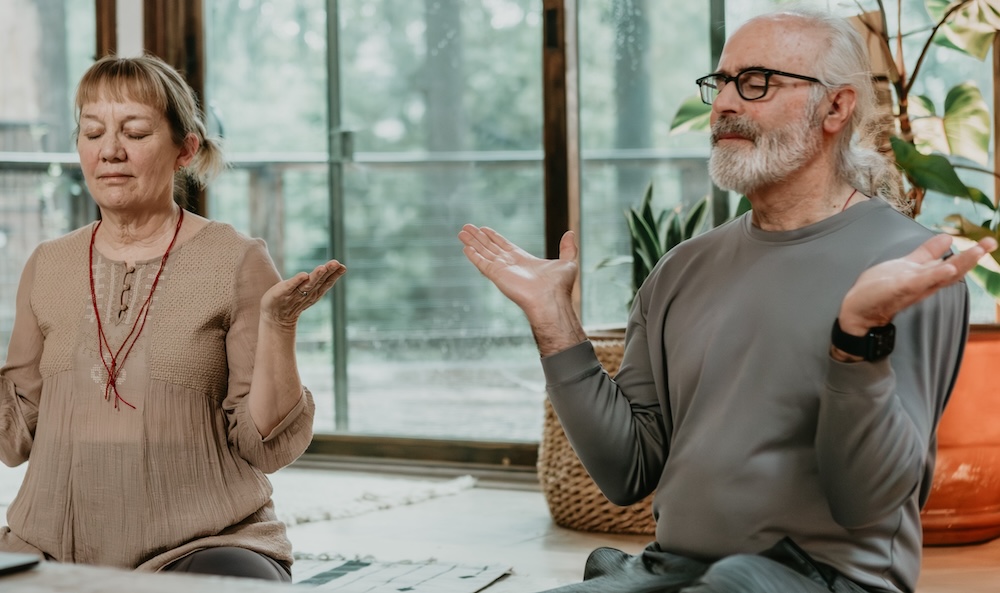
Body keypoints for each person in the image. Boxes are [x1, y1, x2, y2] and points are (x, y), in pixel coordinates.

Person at [459, 9, 997, 593]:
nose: (724, 105)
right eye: (722, 82)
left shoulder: (907, 269)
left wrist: (858, 337)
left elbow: (866, 503)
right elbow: (626, 471)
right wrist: (555, 323)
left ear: (836, 108)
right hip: (671, 570)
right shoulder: (683, 269)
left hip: (822, 580)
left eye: (757, 82)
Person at [0, 53, 346, 581]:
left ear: (185, 149)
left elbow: (264, 444)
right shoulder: (48, 263)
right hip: (49, 542)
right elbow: (13, 433)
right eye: (92, 132)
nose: (110, 151)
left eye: (135, 133)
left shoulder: (236, 258)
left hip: (201, 541)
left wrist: (279, 327)